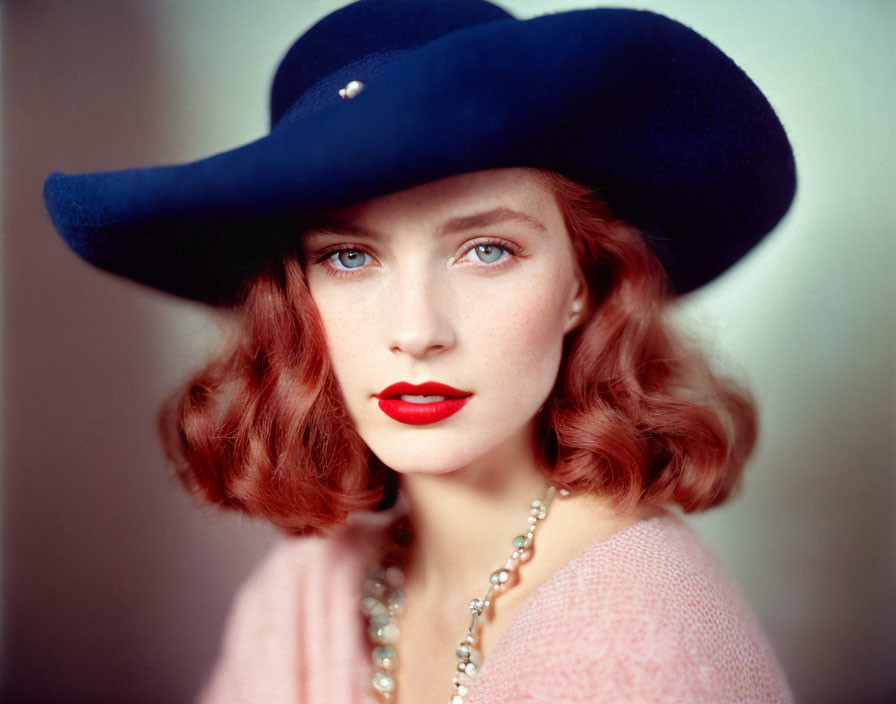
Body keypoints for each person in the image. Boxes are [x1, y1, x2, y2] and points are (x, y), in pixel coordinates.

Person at [42, 1, 797, 702]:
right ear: (297, 296)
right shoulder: (309, 590)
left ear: (582, 284)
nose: (416, 329)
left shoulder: (643, 641)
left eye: (487, 250)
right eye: (348, 258)